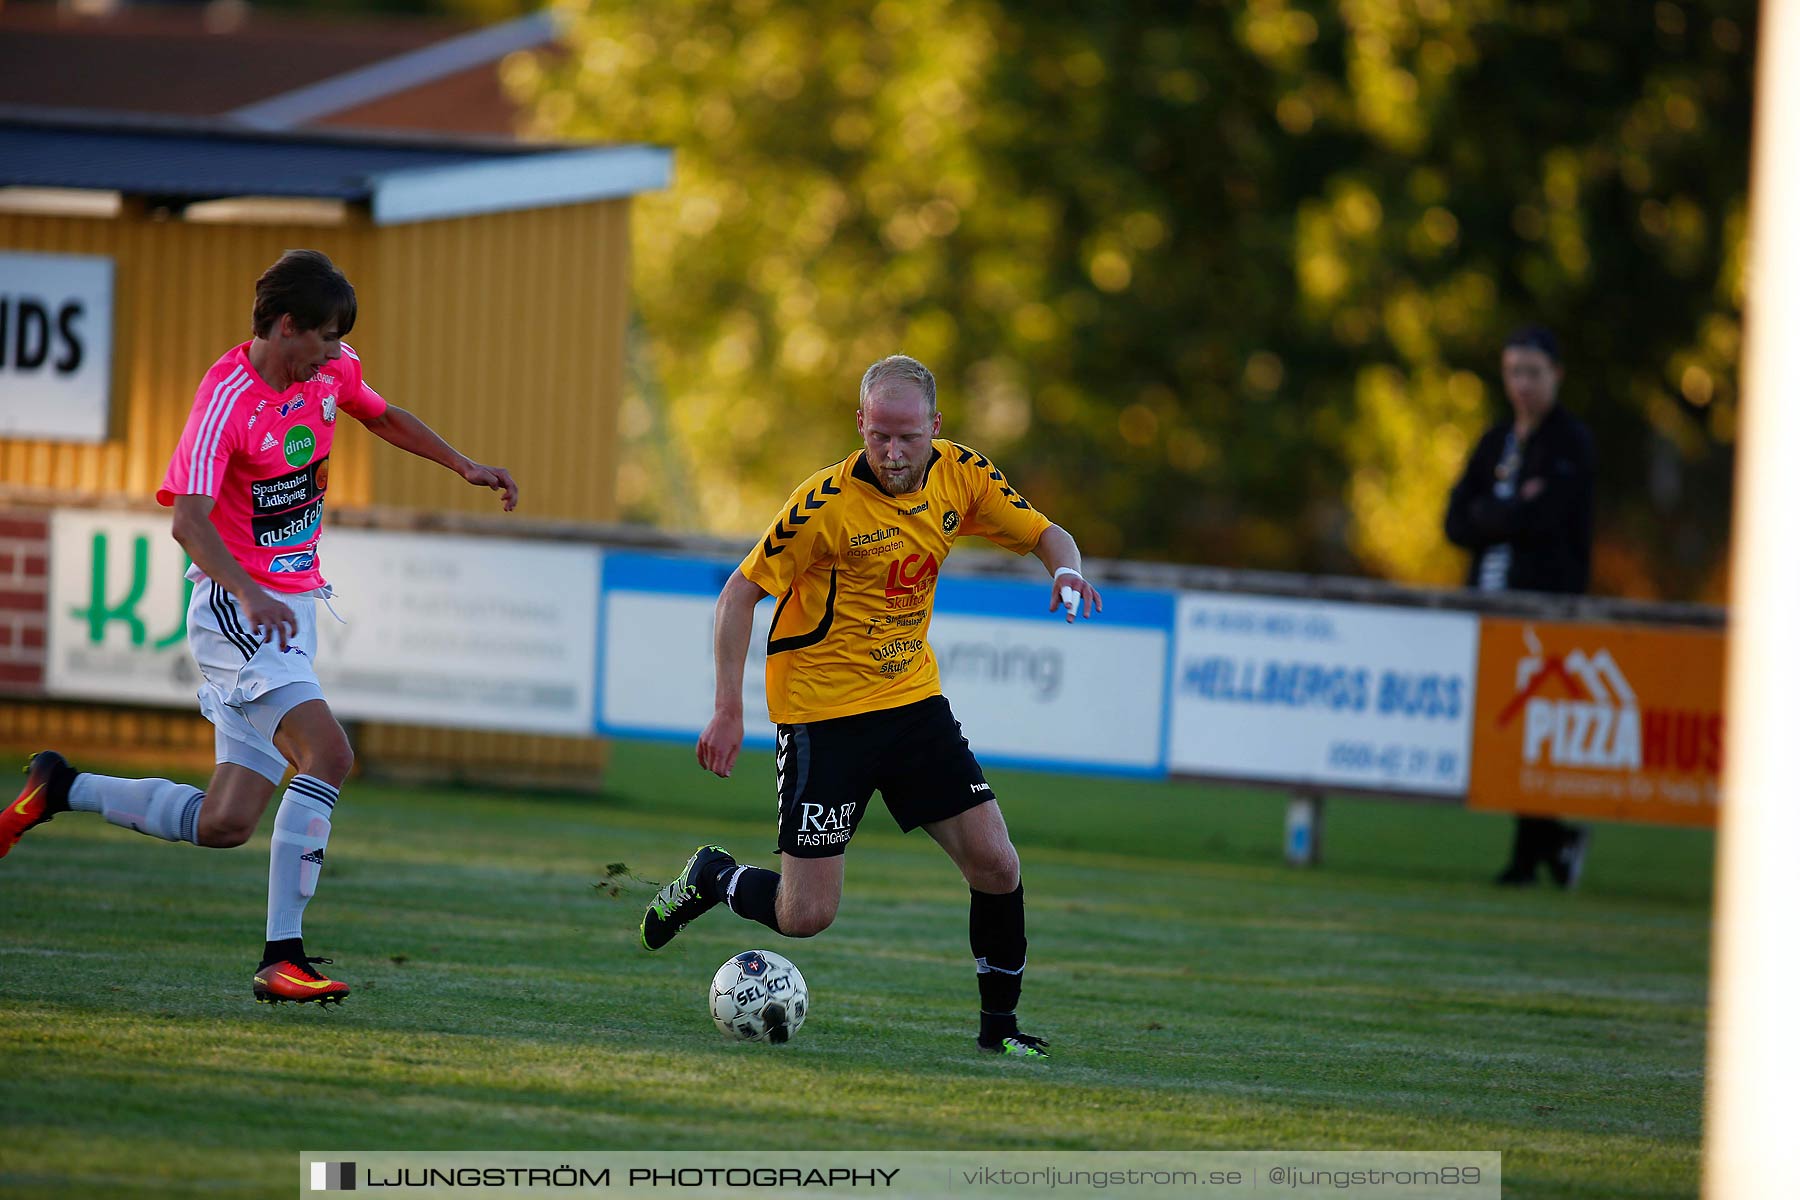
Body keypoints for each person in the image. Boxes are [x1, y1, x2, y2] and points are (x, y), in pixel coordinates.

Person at [2, 249, 518, 1004]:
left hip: (287, 609)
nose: (338, 356)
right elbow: (188, 522)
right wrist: (249, 592)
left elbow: (381, 414)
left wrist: (462, 465)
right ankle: (284, 956)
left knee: (225, 822)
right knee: (330, 752)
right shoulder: (224, 404)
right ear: (286, 327)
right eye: (328, 339)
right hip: (234, 611)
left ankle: (59, 787)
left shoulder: (328, 374)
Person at [639, 354, 1101, 1058]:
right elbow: (738, 595)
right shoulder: (822, 505)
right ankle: (714, 877)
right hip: (822, 716)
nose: (890, 451)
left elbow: (1045, 532)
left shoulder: (963, 474)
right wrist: (727, 709)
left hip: (912, 703)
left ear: (935, 428)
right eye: (877, 434)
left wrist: (1067, 569)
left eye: (907, 437)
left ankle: (999, 1032)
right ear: (860, 422)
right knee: (806, 915)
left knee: (997, 865)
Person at [1445, 324, 1595, 888]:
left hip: (1542, 612)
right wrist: (1507, 511)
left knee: (1529, 728)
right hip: (1488, 607)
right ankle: (1552, 844)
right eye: (1514, 372)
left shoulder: (1570, 444)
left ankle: (1533, 854)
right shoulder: (1496, 441)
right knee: (1501, 732)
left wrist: (1495, 514)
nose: (1522, 384)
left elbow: (1548, 520)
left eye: (1533, 372)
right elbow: (1455, 521)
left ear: (1555, 374)